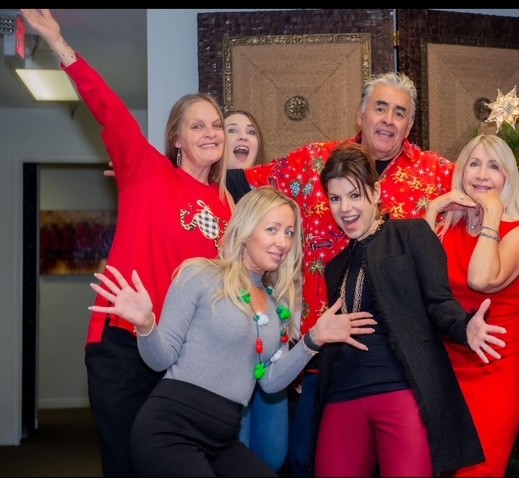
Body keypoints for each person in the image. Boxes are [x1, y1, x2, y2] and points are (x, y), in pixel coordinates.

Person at [20, 9, 235, 477]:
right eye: (197, 125)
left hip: (180, 355)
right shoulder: (146, 171)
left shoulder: (227, 208)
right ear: (176, 139)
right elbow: (109, 109)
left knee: (169, 464)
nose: (211, 133)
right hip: (121, 345)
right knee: (125, 463)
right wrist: (57, 42)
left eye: (217, 125)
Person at [225, 71, 454, 476]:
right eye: (380, 108)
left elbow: (496, 186)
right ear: (360, 114)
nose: (388, 120)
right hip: (318, 356)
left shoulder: (436, 174)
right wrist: (166, 179)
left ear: (409, 126)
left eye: (399, 113)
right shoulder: (314, 160)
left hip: (398, 365)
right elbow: (240, 185)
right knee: (303, 460)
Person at [87, 186, 377, 476]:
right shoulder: (200, 274)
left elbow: (271, 382)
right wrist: (146, 324)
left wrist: (313, 340)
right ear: (246, 230)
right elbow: (159, 360)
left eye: (289, 233)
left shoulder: (275, 307)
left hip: (221, 441)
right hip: (169, 432)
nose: (282, 242)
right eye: (272, 229)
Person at [312, 143, 507, 476]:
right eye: (335, 198)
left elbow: (439, 303)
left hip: (401, 391)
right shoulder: (335, 268)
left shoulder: (413, 234)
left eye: (354, 195)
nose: (345, 208)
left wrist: (465, 327)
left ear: (375, 192)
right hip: (342, 395)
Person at [425, 134, 519, 476]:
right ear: (461, 172)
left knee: (480, 469)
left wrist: (492, 215)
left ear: (507, 178)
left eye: (494, 166)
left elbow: (481, 279)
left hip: (496, 366)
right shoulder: (447, 228)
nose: (482, 174)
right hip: (448, 364)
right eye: (474, 164)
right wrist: (433, 211)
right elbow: (417, 278)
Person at [223, 109, 290, 473]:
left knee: (273, 453)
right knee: (237, 452)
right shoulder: (209, 198)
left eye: (250, 131)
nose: (242, 137)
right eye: (232, 130)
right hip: (231, 347)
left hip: (271, 343)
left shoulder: (275, 197)